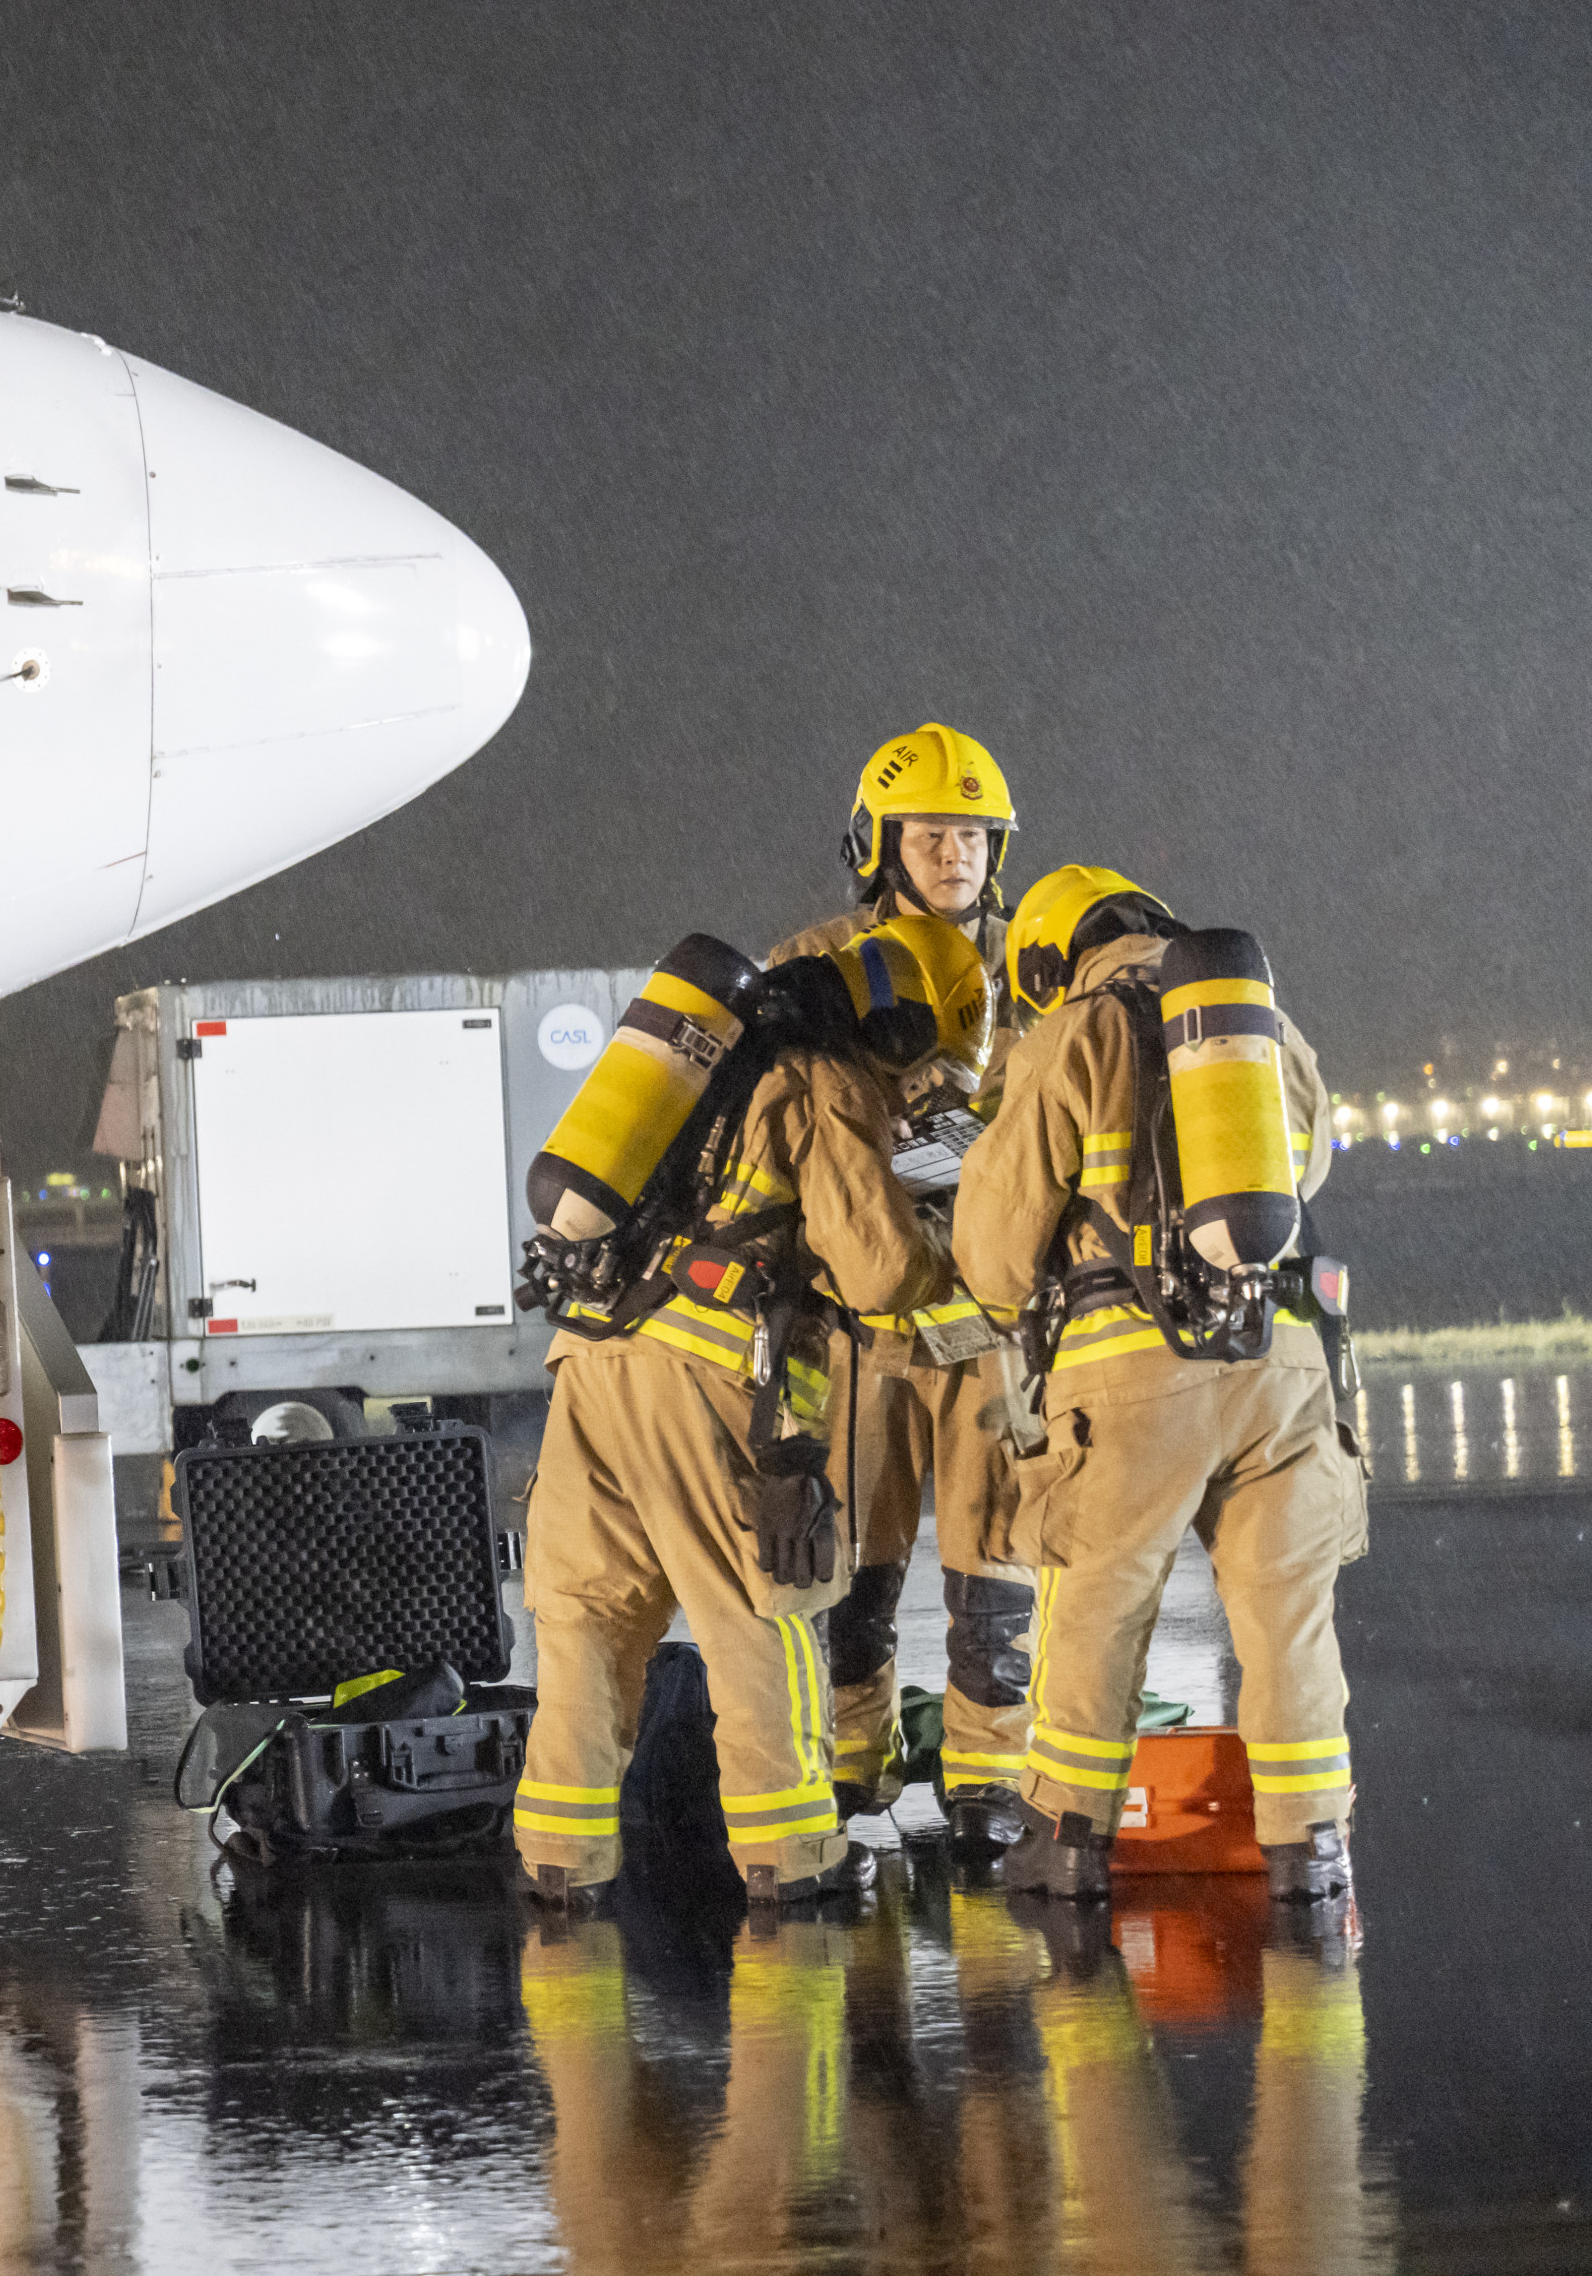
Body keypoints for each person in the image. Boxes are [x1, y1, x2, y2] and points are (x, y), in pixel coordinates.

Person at [510, 922, 965, 1916]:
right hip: (708, 1372)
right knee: (762, 1612)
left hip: (590, 1362)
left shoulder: (704, 1072)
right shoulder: (823, 1080)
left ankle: (559, 1858)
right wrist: (940, 1226)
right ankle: (793, 1855)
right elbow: (879, 1269)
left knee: (588, 1620)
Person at [955, 866, 1358, 1915]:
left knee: (1100, 1605)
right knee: (1287, 1618)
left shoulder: (1071, 1032)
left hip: (1133, 1377)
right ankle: (1311, 1847)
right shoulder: (1263, 1024)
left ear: (1049, 960)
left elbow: (994, 1248)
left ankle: (1068, 1842)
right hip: (1279, 1359)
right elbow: (1308, 1167)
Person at [764, 723, 1039, 1857]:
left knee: (993, 1566)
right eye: (928, 834)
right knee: (851, 1568)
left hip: (988, 1320)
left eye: (973, 835)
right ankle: (852, 1762)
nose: (954, 854)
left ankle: (985, 1779)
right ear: (877, 844)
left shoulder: (1033, 965)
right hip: (857, 1323)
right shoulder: (818, 961)